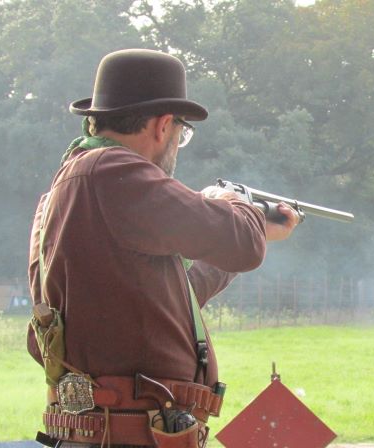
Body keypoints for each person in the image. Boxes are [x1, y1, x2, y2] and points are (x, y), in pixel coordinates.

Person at [27, 48, 299, 448]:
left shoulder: (75, 187)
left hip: (112, 434)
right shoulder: (113, 171)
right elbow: (242, 243)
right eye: (180, 134)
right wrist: (234, 203)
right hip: (127, 436)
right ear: (163, 125)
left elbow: (173, 300)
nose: (176, 143)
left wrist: (258, 231)